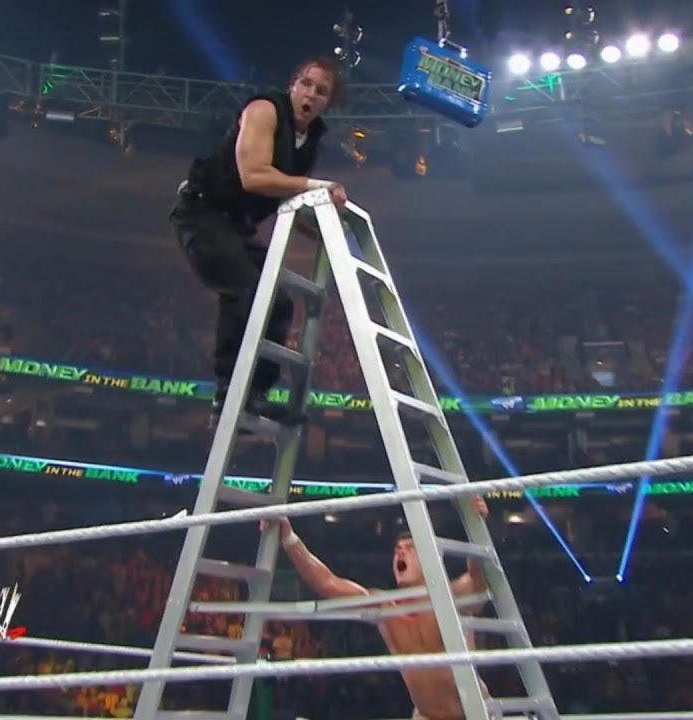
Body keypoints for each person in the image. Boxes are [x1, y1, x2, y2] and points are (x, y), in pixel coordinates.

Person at [171, 57, 349, 429]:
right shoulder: (264, 110)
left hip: (238, 226)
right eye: (306, 83)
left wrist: (324, 234)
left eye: (321, 91)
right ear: (292, 84)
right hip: (203, 213)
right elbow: (253, 177)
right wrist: (319, 186)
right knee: (245, 289)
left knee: (279, 303)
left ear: (328, 103)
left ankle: (256, 395)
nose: (310, 94)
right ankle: (227, 395)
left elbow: (285, 196)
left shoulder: (310, 141)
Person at [265, 497, 492, 720]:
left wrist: (476, 523)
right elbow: (328, 584)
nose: (400, 552)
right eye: (397, 549)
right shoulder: (385, 608)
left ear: (428, 558)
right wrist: (288, 537)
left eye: (410, 548)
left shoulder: (452, 597)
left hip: (472, 715)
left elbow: (479, 578)